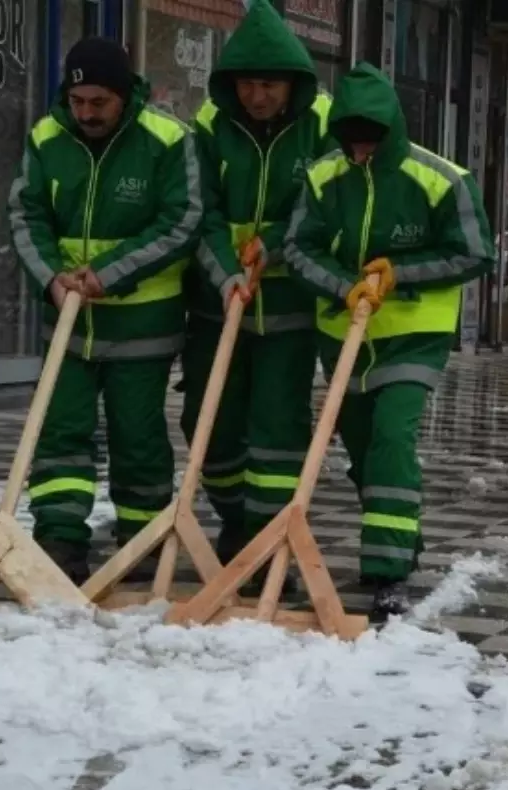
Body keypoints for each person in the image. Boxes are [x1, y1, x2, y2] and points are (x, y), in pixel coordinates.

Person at [284, 63, 495, 619]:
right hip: (343, 335)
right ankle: (401, 536)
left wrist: (399, 273)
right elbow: (299, 247)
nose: (360, 151)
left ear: (390, 129)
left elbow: (475, 252)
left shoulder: (441, 179)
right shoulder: (324, 178)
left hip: (413, 336)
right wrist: (344, 285)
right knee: (361, 451)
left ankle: (387, 571)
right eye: (351, 140)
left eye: (370, 140)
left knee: (391, 439)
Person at [7, 37, 203, 582]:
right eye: (78, 102)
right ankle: (60, 538)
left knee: (136, 434)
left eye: (99, 102)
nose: (87, 113)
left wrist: (108, 275)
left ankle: (139, 542)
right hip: (67, 320)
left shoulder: (167, 140)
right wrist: (51, 277)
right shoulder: (48, 138)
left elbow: (182, 221)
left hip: (142, 323)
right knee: (60, 431)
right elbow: (26, 216)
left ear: (124, 96)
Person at [183, 0, 332, 582]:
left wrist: (271, 245)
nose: (255, 96)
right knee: (206, 421)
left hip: (289, 304)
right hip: (218, 302)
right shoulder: (209, 126)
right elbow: (200, 211)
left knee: (277, 427)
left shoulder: (322, 125)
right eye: (245, 83)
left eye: (266, 84)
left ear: (291, 82)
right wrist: (225, 275)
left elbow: (318, 207)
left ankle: (271, 545)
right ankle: (235, 520)